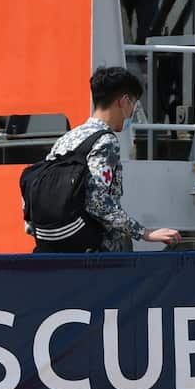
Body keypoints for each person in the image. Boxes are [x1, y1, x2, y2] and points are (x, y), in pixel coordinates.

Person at [37, 66, 182, 251]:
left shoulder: (67, 138)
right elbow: (98, 202)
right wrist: (144, 233)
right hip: (97, 251)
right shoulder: (105, 141)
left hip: (58, 244)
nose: (132, 114)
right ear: (124, 101)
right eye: (134, 105)